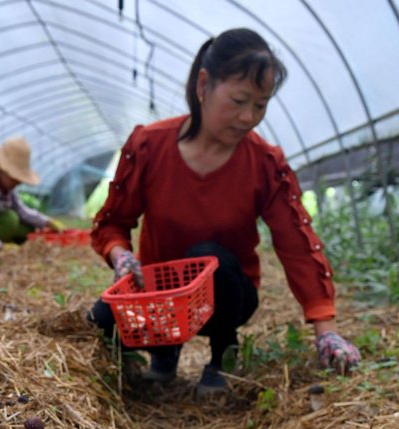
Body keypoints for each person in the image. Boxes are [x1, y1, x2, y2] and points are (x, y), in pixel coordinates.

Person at [88, 28, 360, 396]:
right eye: (238, 100)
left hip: (228, 294)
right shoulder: (149, 147)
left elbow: (295, 242)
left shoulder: (264, 163)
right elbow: (113, 223)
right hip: (162, 296)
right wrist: (121, 255)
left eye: (260, 105)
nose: (249, 116)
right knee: (99, 321)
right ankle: (163, 353)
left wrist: (325, 330)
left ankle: (222, 354)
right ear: (204, 85)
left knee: (208, 258)